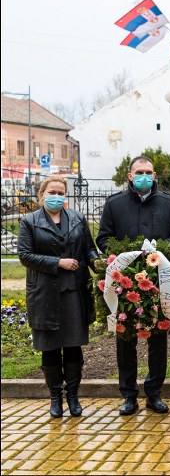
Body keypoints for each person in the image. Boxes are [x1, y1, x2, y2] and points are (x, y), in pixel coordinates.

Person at [96, 155, 170, 416]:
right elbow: (103, 237)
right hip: (123, 280)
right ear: (130, 176)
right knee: (125, 338)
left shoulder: (169, 203)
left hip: (160, 279)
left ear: (155, 176)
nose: (144, 176)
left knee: (158, 336)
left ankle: (154, 394)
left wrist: (163, 250)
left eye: (148, 172)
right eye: (139, 172)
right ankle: (129, 396)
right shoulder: (114, 204)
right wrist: (120, 255)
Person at [18, 176, 99, 418]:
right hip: (44, 292)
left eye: (61, 192)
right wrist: (58, 262)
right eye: (52, 191)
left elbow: (89, 248)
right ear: (42, 194)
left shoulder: (77, 219)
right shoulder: (29, 221)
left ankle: (73, 396)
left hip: (74, 291)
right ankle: (55, 398)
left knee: (73, 345)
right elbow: (25, 255)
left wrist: (98, 263)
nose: (57, 196)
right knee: (50, 346)